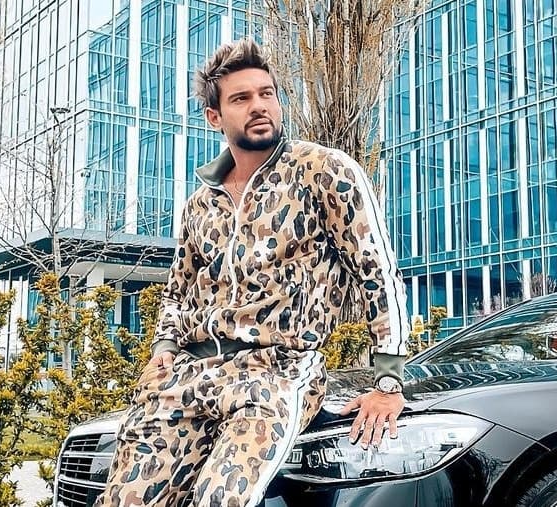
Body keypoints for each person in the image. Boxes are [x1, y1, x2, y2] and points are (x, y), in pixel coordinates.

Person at [99, 38, 410, 507]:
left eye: (267, 94)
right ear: (215, 117)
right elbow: (178, 292)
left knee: (220, 500)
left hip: (276, 373)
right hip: (188, 375)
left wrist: (387, 381)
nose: (259, 105)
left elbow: (377, 272)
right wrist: (163, 347)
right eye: (241, 98)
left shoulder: (324, 171)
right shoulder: (200, 204)